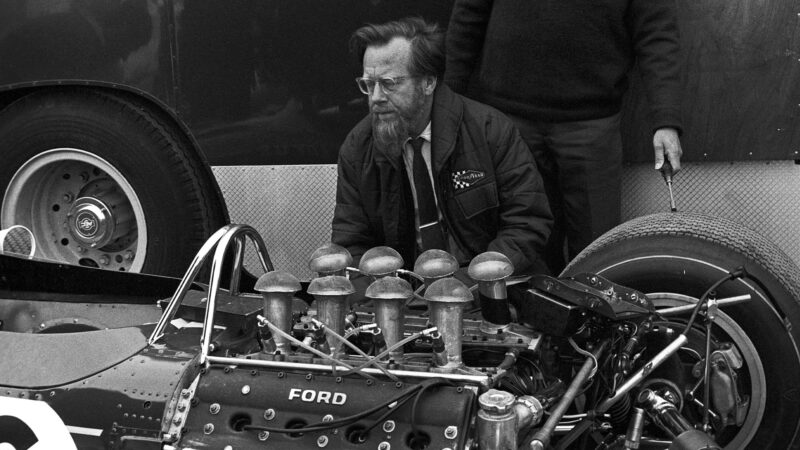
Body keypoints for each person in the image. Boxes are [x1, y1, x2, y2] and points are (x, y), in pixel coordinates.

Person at [445, 0, 684, 274]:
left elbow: (657, 36)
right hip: (509, 124)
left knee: (597, 255)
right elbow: (468, 19)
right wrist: (448, 104)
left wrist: (666, 121)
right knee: (524, 251)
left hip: (591, 125)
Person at [331, 17, 552, 277]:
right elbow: (351, 244)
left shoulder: (490, 130)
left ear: (428, 82)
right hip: (402, 294)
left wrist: (473, 282)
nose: (377, 98)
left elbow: (527, 224)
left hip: (484, 288)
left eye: (389, 83)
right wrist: (385, 295)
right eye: (369, 85)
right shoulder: (358, 146)